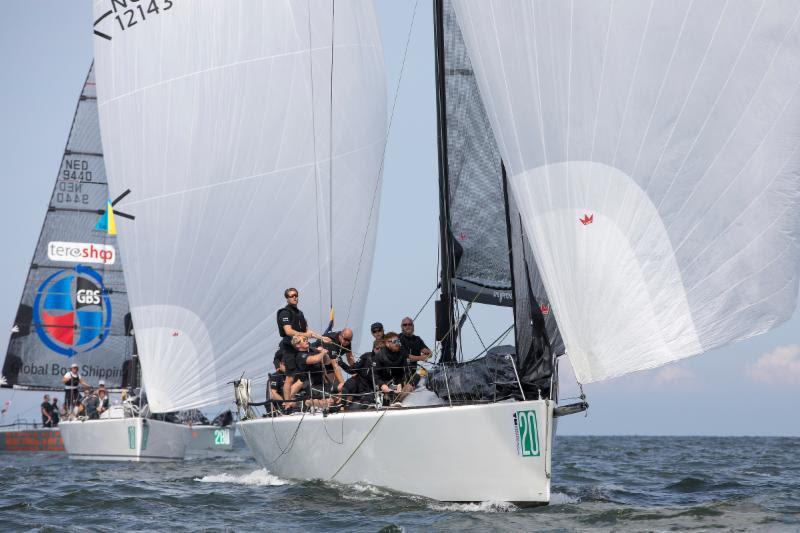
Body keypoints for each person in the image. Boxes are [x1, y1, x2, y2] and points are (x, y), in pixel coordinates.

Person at [276, 288, 330, 405]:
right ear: (287, 298)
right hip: (290, 349)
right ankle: (287, 404)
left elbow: (306, 330)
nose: (294, 297)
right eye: (291, 296)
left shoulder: (299, 313)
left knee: (303, 375)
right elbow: (288, 331)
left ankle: (298, 399)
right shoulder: (284, 312)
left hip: (301, 347)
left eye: (296, 295)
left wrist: (321, 338)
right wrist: (305, 335)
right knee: (290, 378)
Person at [375, 332, 411, 405]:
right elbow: (375, 375)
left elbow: (407, 372)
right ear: (387, 343)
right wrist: (382, 385)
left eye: (398, 341)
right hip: (386, 384)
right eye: (395, 342)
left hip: (399, 384)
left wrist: (401, 383)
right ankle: (388, 400)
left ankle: (397, 400)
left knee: (416, 377)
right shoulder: (380, 356)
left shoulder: (403, 353)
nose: (397, 344)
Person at [398, 317, 432, 386]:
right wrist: (421, 358)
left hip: (413, 373)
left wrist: (428, 353)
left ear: (413, 326)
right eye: (405, 325)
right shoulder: (398, 338)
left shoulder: (417, 339)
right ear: (401, 327)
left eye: (410, 324)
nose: (407, 326)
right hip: (400, 374)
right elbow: (406, 356)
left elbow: (430, 354)